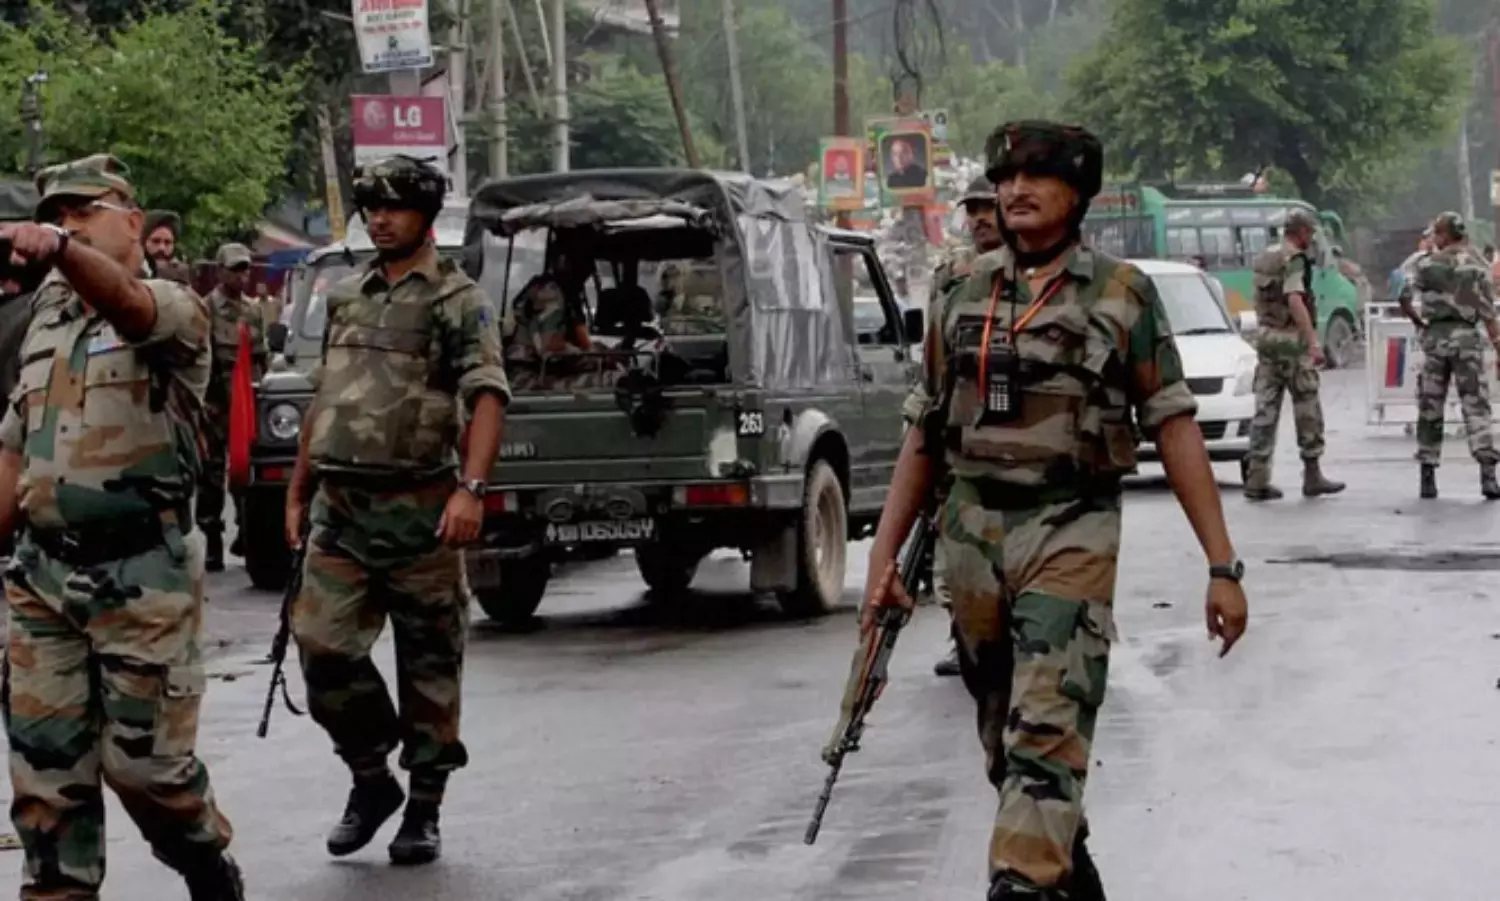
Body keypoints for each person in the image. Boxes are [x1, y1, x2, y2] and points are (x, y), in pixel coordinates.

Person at [861, 120, 1249, 901]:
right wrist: (882, 558)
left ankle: (1021, 885)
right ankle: (1070, 874)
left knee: (1047, 723)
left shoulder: (1121, 293)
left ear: (1078, 193)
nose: (1015, 190)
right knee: (1005, 736)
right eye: (1005, 178)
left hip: (1071, 525)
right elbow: (925, 428)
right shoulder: (961, 289)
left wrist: (1221, 565)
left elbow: (1172, 423)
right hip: (972, 532)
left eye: (1036, 176)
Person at [0, 153, 242, 899]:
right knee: (46, 781)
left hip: (142, 575)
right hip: (43, 578)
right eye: (55, 217)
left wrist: (58, 251)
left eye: (82, 213)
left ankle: (204, 860)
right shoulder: (43, 320)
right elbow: (15, 442)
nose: (65, 226)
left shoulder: (173, 307)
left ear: (133, 223)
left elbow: (130, 306)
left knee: (147, 772)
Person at [283, 155, 510, 865]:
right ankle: (371, 776)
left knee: (430, 665)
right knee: (321, 645)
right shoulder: (347, 295)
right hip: (341, 514)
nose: (380, 220)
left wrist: (472, 489)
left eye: (395, 208)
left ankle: (425, 806)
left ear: (425, 216)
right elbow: (326, 398)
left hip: (421, 515)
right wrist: (297, 488)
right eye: (371, 208)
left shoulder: (457, 300)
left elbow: (487, 395)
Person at [923, 174, 1003, 679]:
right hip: (960, 434)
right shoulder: (949, 277)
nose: (978, 219)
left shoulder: (1035, 273)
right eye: (971, 210)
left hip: (1019, 436)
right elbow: (932, 369)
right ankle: (964, 636)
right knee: (955, 550)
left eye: (986, 207)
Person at [1242, 209, 1345, 500]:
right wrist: (1312, 342)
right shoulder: (1295, 259)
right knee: (1307, 406)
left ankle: (1256, 480)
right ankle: (1312, 475)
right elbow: (1295, 299)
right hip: (1290, 341)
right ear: (1301, 232)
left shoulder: (1266, 257)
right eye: (1309, 233)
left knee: (1265, 409)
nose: (1311, 238)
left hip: (1266, 338)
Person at [1407, 211, 1500, 499]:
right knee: (1476, 405)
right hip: (1467, 340)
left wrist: (1419, 321)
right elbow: (1489, 313)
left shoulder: (1426, 265)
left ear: (1444, 235)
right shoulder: (1477, 265)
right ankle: (1488, 476)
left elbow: (1403, 293)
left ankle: (1428, 476)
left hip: (1435, 340)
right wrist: (1498, 347)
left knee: (1430, 405)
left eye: (1436, 233)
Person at [198, 242, 268, 570]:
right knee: (211, 475)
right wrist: (201, 404)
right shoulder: (206, 309)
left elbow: (260, 358)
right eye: (236, 269)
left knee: (246, 471)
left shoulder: (254, 310)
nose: (242, 275)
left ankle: (246, 531)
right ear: (220, 271)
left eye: (246, 269)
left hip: (245, 405)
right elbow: (199, 360)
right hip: (215, 404)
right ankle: (212, 538)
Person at [142, 209, 192, 284]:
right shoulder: (131, 271)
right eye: (155, 241)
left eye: (167, 242)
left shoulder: (183, 274)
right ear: (143, 242)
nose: (162, 248)